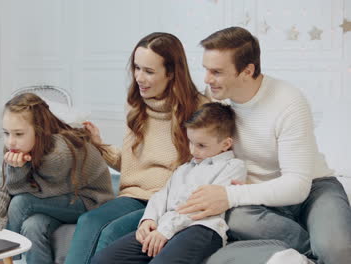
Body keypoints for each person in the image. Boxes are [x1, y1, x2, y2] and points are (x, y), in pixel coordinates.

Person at [175, 26, 351, 263]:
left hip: (313, 188)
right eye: (206, 69)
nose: (207, 79)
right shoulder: (215, 96)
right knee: (235, 219)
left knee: (337, 251)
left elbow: (297, 185)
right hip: (256, 196)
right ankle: (311, 253)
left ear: (247, 70)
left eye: (216, 71)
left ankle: (321, 246)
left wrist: (230, 194)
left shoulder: (288, 102)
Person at [64, 32, 208, 264]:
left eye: (149, 71)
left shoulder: (200, 110)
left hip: (168, 200)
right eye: (136, 68)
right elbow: (132, 164)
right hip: (133, 196)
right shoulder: (137, 108)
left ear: (171, 73)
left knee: (113, 231)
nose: (139, 77)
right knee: (89, 221)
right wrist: (98, 144)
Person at [0, 93, 114, 264]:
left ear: (39, 131)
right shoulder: (19, 150)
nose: (10, 141)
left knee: (21, 203)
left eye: (18, 134)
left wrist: (17, 169)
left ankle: (4, 258)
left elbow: (25, 192)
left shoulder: (59, 154)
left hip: (90, 201)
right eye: (6, 133)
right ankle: (6, 257)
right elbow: (1, 187)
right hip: (60, 201)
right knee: (33, 226)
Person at [91, 102, 247, 264]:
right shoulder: (185, 168)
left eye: (201, 145)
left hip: (201, 227)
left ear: (226, 144)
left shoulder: (233, 167)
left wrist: (165, 231)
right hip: (164, 225)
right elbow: (161, 196)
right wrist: (148, 220)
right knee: (103, 259)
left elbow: (202, 207)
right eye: (191, 142)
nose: (193, 150)